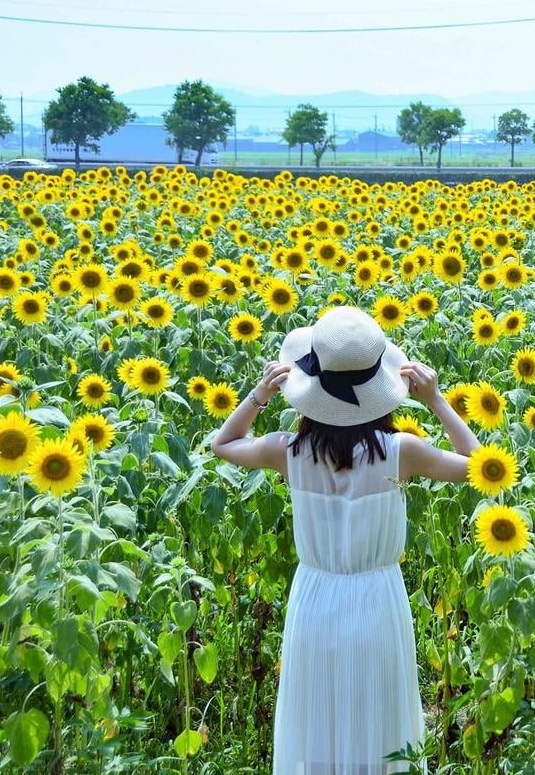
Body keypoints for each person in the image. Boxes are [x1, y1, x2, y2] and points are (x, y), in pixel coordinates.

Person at [210, 305, 479, 774]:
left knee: (318, 715)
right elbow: (482, 467)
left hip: (314, 598)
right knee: (378, 718)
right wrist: (436, 401)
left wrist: (257, 395)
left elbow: (223, 444)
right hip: (377, 599)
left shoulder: (287, 450)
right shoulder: (403, 452)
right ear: (383, 390)